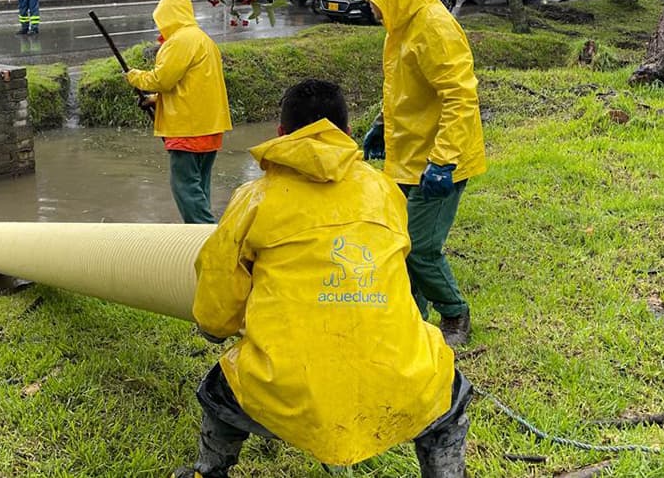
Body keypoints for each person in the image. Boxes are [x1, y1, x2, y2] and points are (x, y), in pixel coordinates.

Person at [174, 79, 471, 478]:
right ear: (347, 134)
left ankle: (208, 472)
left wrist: (215, 328)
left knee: (219, 392)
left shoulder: (254, 199)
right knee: (447, 397)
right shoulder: (383, 191)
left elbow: (217, 296)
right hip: (401, 379)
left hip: (287, 389)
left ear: (280, 134)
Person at [353, 0, 487, 347]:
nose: (373, 9)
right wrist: (381, 125)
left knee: (421, 247)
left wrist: (443, 161)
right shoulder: (400, 28)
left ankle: (455, 314)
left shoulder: (434, 28)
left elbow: (461, 97)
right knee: (400, 242)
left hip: (439, 161)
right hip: (408, 156)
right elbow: (403, 88)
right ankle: (411, 317)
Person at [125, 0, 231, 224]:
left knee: (184, 187)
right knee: (200, 186)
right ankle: (202, 231)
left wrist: (135, 77)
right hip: (209, 125)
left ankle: (204, 233)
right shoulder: (203, 39)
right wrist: (155, 100)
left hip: (188, 128)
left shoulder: (180, 41)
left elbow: (162, 80)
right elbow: (190, 86)